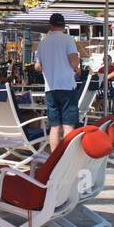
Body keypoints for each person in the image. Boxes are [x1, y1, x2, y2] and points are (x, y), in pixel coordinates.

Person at [34, 13, 81, 151]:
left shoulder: (43, 42)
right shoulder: (68, 40)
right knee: (68, 125)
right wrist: (77, 68)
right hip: (67, 86)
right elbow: (73, 62)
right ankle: (67, 157)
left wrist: (49, 68)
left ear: (50, 25)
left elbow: (37, 66)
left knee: (54, 126)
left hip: (50, 88)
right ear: (63, 25)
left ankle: (54, 158)